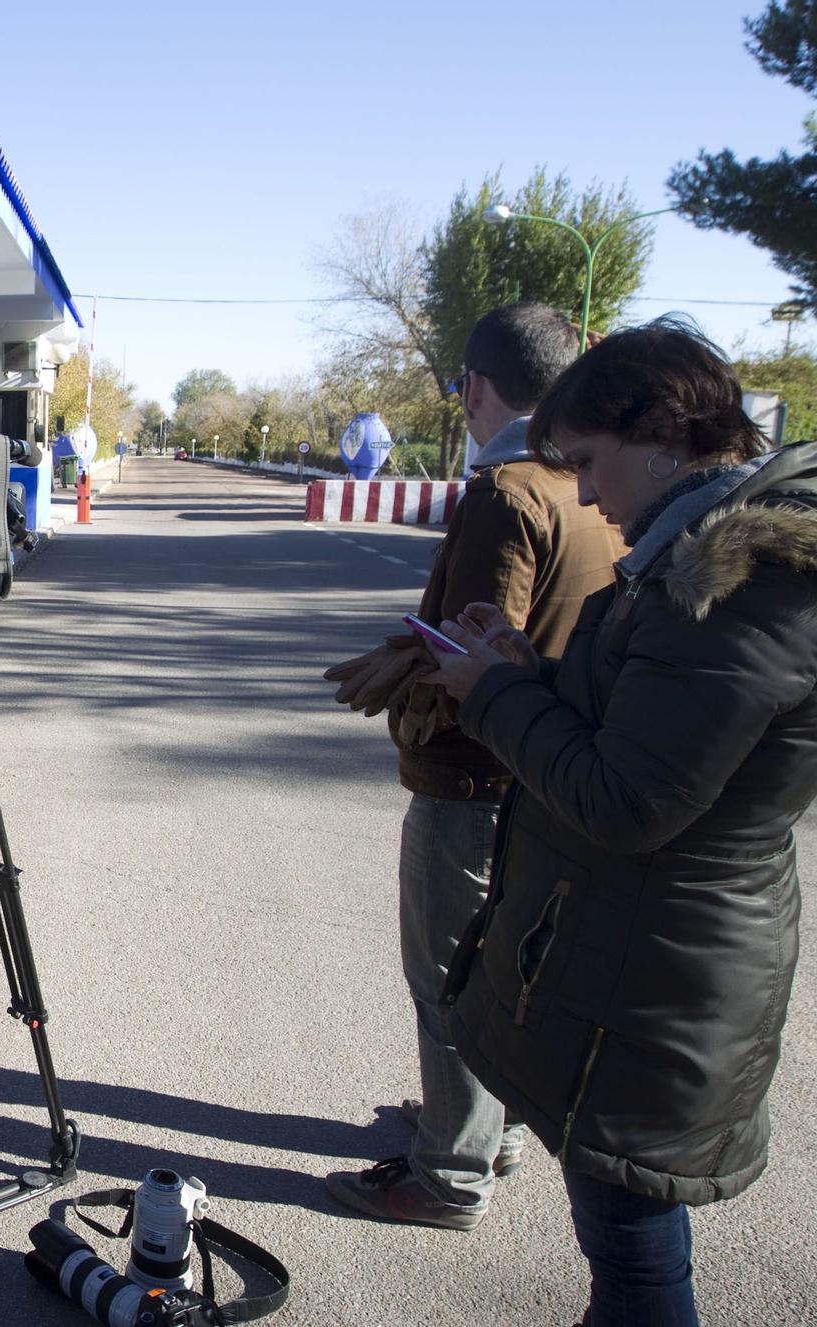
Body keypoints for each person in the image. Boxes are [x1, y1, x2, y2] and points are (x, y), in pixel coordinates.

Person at [424, 319, 804, 1326]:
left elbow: (624, 797)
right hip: (646, 954)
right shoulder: (697, 557)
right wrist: (524, 671)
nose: (584, 495)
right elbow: (636, 722)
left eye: (588, 463)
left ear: (660, 430)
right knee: (627, 1247)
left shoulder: (734, 584)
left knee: (634, 1262)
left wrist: (492, 700)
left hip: (659, 974)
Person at [321, 304, 622, 1230]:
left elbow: (485, 640)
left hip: (474, 776)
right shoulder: (589, 482)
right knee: (501, 974)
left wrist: (415, 665)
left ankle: (449, 1171)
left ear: (477, 388)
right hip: (546, 768)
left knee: (447, 973)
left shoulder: (507, 492)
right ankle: (490, 1130)